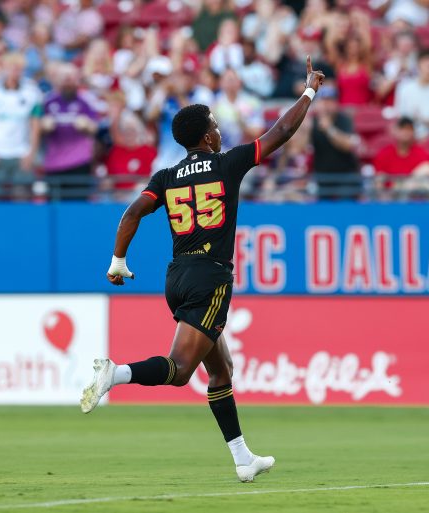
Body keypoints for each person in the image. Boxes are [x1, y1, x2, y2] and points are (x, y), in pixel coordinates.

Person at [80, 57, 325, 482]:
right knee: (179, 371)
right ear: (206, 135)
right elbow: (282, 132)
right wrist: (309, 91)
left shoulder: (166, 176)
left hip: (176, 278)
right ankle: (116, 374)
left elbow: (133, 213)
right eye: (214, 124)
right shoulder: (227, 163)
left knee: (221, 369)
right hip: (210, 278)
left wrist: (118, 261)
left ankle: (243, 459)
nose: (218, 129)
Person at [0, 52, 42, 199]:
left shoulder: (32, 92)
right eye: (11, 67)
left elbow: (35, 126)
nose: (14, 71)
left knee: (22, 197)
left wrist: (31, 153)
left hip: (21, 153)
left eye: (18, 68)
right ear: (3, 68)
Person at [41, 64, 99, 195]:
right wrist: (43, 126)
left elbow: (95, 127)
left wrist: (88, 125)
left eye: (71, 78)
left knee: (78, 206)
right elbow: (36, 126)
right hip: (54, 163)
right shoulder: (48, 101)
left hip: (79, 162)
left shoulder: (86, 100)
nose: (68, 82)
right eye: (64, 78)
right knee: (55, 207)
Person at [309, 85, 359, 197]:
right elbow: (300, 147)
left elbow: (348, 145)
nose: (326, 105)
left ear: (336, 103)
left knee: (346, 208)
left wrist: (329, 129)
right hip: (322, 176)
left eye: (330, 101)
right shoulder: (312, 121)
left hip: (345, 175)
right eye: (323, 101)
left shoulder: (344, 119)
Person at [395, 49, 429, 139]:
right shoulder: (405, 89)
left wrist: (422, 120)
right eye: (426, 65)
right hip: (410, 139)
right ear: (418, 65)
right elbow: (400, 119)